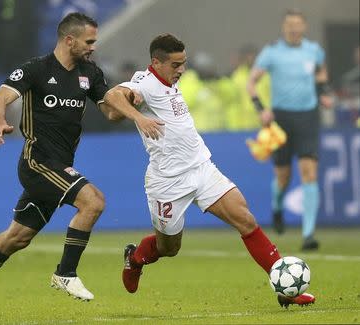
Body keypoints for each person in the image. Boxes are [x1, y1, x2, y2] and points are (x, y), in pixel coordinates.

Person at [103, 33, 315, 309]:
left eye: (184, 63)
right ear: (156, 62)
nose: (182, 70)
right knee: (169, 248)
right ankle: (135, 258)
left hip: (201, 167)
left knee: (245, 220)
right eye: (176, 64)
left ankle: (286, 288)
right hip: (167, 181)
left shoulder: (171, 81)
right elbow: (112, 96)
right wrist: (139, 117)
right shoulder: (145, 83)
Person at [0, 12, 115, 324]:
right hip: (37, 162)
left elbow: (110, 108)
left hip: (60, 166)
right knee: (94, 201)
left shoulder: (89, 73)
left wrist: (134, 103)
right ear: (69, 40)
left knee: (17, 237)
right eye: (89, 41)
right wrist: (0, 123)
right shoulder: (35, 69)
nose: (93, 47)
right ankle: (65, 272)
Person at [247, 9, 333, 250]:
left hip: (308, 116)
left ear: (303, 27)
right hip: (281, 119)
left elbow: (321, 73)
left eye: (298, 24)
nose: (294, 28)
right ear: (284, 27)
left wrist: (324, 92)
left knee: (309, 172)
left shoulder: (313, 50)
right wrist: (260, 108)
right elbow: (251, 82)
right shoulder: (272, 52)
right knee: (283, 177)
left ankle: (308, 234)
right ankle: (277, 206)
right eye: (289, 25)